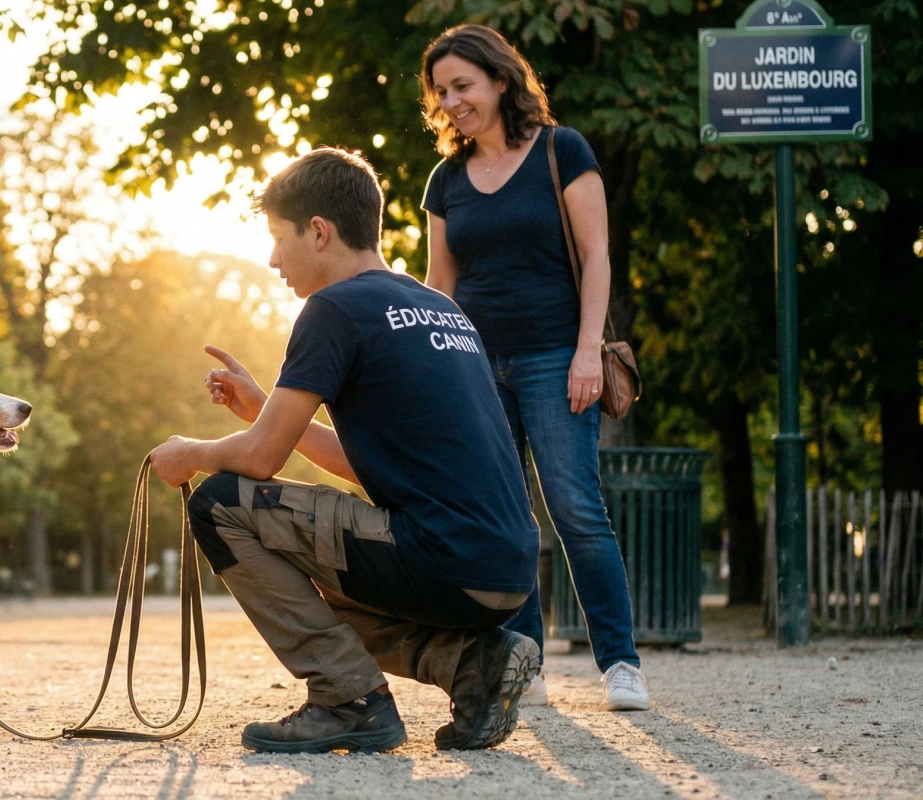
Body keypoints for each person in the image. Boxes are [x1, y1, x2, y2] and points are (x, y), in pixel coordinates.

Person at [148, 146, 542, 754]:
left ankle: (347, 698)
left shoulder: (333, 308)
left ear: (319, 231)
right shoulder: (438, 307)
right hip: (505, 569)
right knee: (309, 582)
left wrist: (190, 453)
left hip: (442, 557)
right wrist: (264, 411)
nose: (272, 258)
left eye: (279, 239)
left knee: (221, 503)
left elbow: (258, 462)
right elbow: (374, 466)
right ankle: (474, 664)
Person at [418, 24, 649, 711]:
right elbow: (440, 285)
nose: (451, 101)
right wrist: (437, 372)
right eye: (440, 92)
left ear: (499, 79)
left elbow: (597, 254)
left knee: (577, 510)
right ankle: (526, 666)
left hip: (557, 356)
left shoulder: (561, 150)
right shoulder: (446, 179)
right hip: (477, 366)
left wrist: (587, 349)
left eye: (462, 85)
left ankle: (621, 664)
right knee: (507, 519)